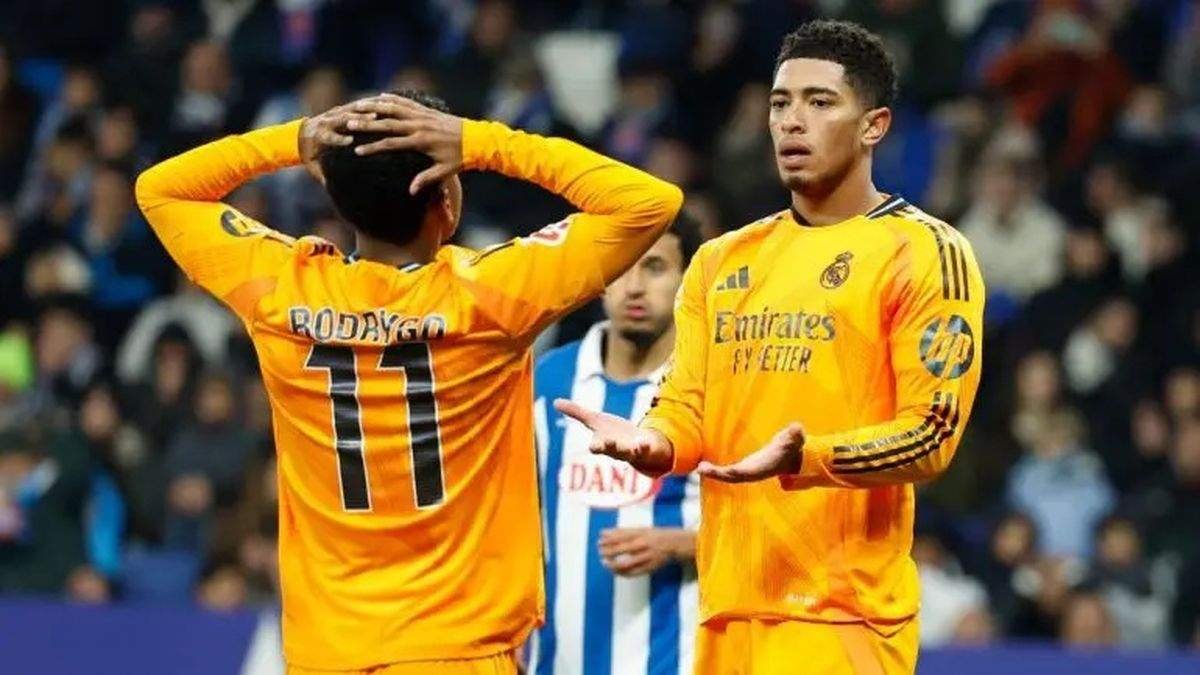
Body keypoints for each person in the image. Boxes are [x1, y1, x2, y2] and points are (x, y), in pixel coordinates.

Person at [135, 91, 682, 674]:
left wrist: (294, 140)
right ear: (445, 195)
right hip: (456, 649)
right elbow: (648, 202)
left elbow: (160, 189)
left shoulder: (281, 290)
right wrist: (480, 141)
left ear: (335, 197)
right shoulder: (490, 298)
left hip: (328, 655)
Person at [555, 20, 984, 674]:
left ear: (874, 126)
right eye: (781, 103)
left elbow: (932, 435)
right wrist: (655, 442)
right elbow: (686, 405)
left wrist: (806, 457)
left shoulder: (924, 251)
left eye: (820, 102)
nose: (792, 122)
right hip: (727, 610)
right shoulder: (722, 260)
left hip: (839, 618)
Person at [530, 218, 702, 675]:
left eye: (655, 267)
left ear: (687, 279)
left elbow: (764, 531)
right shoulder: (547, 380)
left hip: (674, 660)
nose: (635, 286)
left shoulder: (710, 386)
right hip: (555, 661)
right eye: (621, 267)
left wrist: (683, 545)